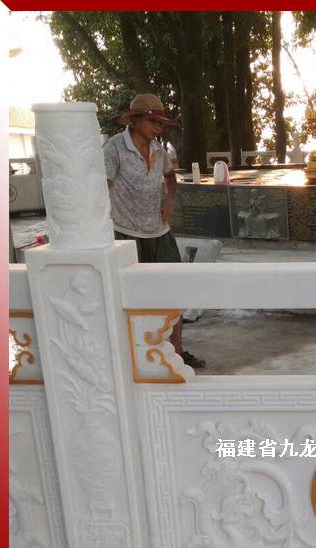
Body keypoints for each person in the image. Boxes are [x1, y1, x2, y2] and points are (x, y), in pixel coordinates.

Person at [103, 93, 205, 369]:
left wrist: (169, 201)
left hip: (159, 232)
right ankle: (134, 355)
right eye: (152, 122)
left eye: (161, 124)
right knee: (131, 295)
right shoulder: (114, 148)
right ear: (135, 119)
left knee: (173, 288)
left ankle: (177, 350)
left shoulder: (159, 151)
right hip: (124, 233)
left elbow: (170, 177)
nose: (158, 128)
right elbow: (103, 187)